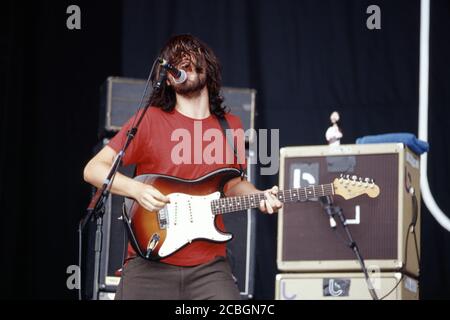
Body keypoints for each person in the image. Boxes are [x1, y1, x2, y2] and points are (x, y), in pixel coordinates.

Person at [83, 34, 282, 300]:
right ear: (168, 77)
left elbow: (233, 183)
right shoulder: (150, 120)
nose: (183, 61)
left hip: (209, 268)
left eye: (191, 55)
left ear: (206, 65)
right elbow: (93, 170)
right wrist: (136, 189)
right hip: (148, 265)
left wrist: (259, 196)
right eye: (176, 60)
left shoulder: (230, 125)